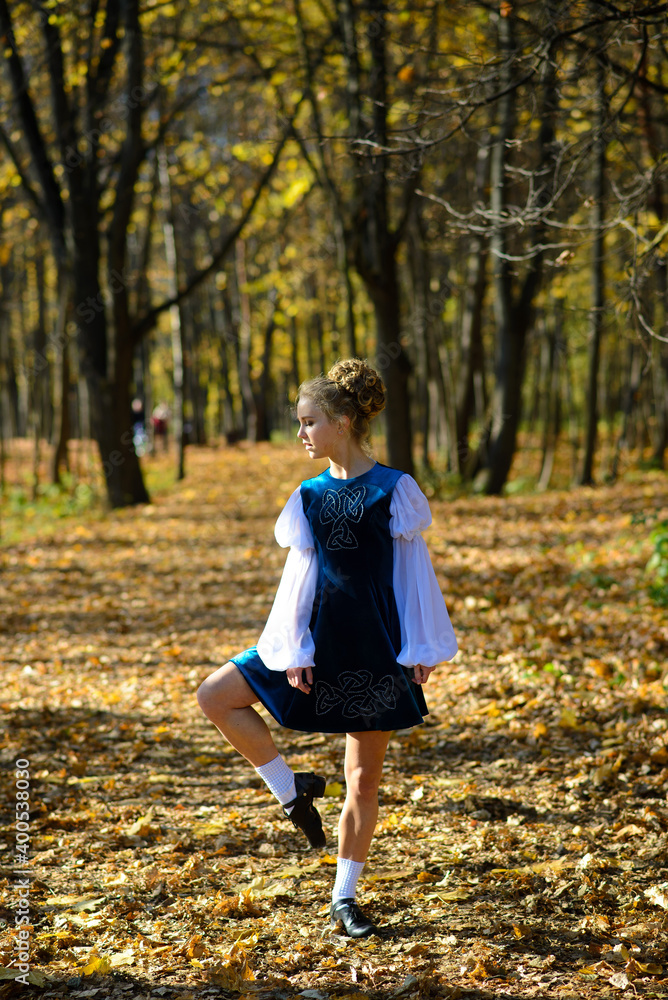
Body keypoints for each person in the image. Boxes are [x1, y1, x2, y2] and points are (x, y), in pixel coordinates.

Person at [197, 358, 457, 938]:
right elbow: (299, 577)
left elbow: (416, 573)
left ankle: (344, 898)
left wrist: (423, 644)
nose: (301, 434)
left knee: (364, 780)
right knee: (216, 695)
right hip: (314, 643)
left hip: (375, 648)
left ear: (342, 421)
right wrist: (293, 650)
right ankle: (293, 792)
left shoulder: (397, 489)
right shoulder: (308, 496)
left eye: (309, 422)